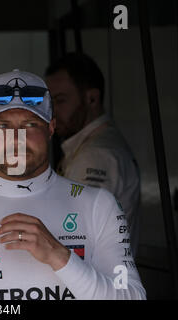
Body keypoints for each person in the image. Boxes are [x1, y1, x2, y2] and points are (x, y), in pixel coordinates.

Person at [0, 69, 146, 300]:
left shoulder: (99, 206)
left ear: (51, 127)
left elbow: (132, 297)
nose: (16, 138)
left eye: (30, 125)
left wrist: (60, 257)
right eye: (2, 126)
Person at [44, 53, 141, 257]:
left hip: (96, 281)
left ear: (92, 98)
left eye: (60, 101)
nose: (51, 112)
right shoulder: (91, 147)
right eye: (48, 103)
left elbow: (78, 236)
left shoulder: (96, 155)